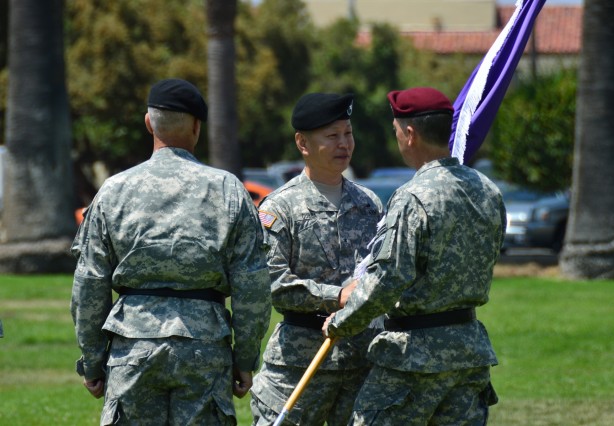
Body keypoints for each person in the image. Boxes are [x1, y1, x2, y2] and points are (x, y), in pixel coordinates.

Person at [70, 78, 271, 425]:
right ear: (196, 127)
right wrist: (245, 359)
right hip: (205, 346)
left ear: (149, 123)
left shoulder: (113, 191)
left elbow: (89, 283)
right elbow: (251, 286)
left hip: (133, 345)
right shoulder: (228, 190)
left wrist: (91, 359)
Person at [323, 87, 506, 425]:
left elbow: (389, 277)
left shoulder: (413, 197)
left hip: (413, 358)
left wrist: (342, 321)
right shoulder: (488, 190)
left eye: (396, 132)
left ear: (409, 134)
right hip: (469, 352)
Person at [250, 93, 384, 426]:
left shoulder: (370, 204)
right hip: (298, 366)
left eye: (348, 133)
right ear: (303, 143)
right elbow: (271, 282)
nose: (344, 144)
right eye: (332, 136)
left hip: (360, 364)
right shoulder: (279, 208)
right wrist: (335, 296)